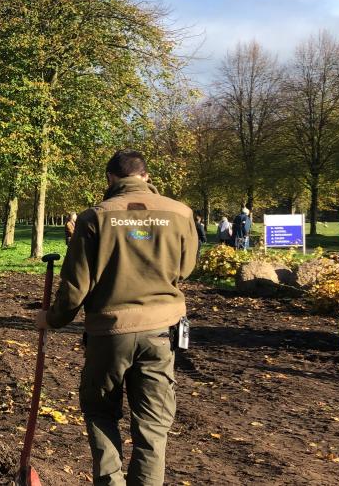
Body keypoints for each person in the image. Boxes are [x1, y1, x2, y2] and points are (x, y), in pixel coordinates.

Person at [36, 149, 197, 486]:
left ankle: (111, 482)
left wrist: (52, 319)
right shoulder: (180, 213)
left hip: (110, 332)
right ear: (146, 177)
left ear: (110, 179)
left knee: (99, 411)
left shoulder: (94, 217)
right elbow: (185, 269)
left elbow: (77, 286)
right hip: (160, 332)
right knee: (153, 423)